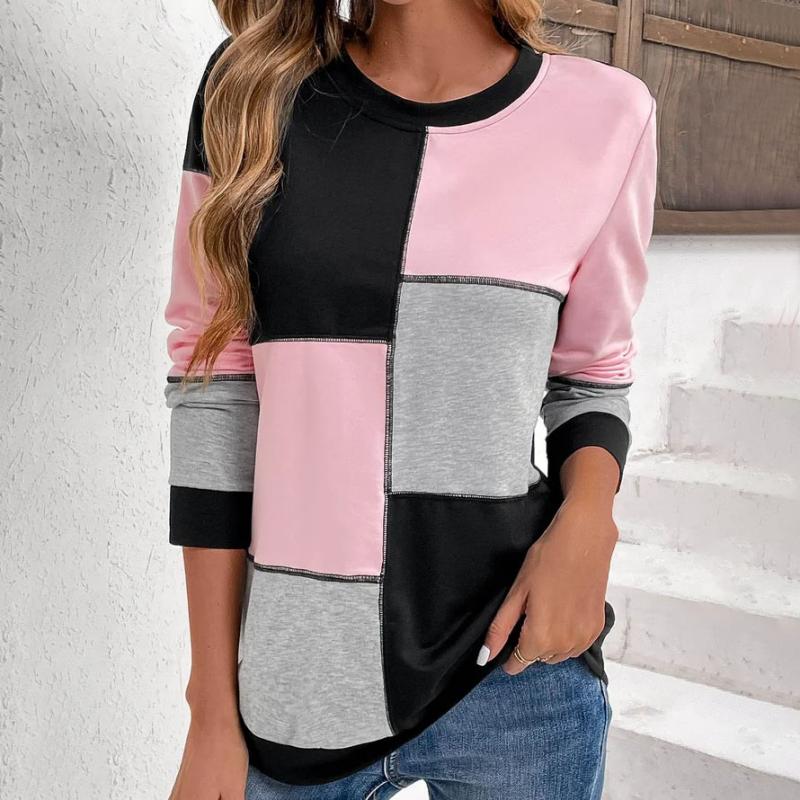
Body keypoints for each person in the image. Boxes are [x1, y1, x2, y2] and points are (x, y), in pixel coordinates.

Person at [163, 1, 657, 798]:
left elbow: (589, 373)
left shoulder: (606, 115)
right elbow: (215, 385)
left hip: (517, 671)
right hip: (295, 689)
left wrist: (591, 520)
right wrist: (210, 709)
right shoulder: (253, 88)